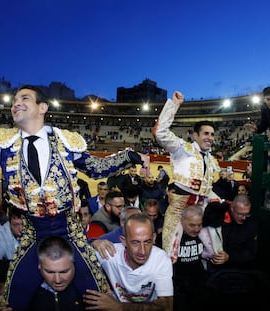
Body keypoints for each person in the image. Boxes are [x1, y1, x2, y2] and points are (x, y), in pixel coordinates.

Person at [0, 84, 147, 310]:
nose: (16, 103)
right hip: (31, 236)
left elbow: (98, 167)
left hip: (71, 232)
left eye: (24, 98)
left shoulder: (66, 142)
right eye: (14, 100)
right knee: (12, 302)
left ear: (42, 107)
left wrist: (131, 156)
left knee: (97, 297)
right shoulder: (3, 144)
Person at [154, 91, 221, 260]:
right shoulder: (182, 148)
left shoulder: (211, 159)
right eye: (206, 133)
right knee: (170, 254)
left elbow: (208, 187)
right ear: (195, 135)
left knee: (214, 251)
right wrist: (174, 104)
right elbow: (161, 133)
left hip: (200, 208)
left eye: (212, 134)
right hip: (179, 207)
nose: (210, 138)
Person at [84, 213, 174, 310]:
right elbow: (76, 254)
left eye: (147, 242)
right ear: (124, 241)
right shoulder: (110, 254)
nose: (142, 251)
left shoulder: (160, 259)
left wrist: (119, 307)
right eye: (135, 242)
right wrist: (92, 242)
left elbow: (166, 307)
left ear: (154, 238)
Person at [29, 236, 84, 310]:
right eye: (50, 272)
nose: (58, 280)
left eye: (64, 272)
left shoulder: (87, 289)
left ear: (74, 265)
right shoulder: (27, 296)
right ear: (39, 266)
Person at [173, 205, 207, 311]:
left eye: (199, 225)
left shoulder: (206, 235)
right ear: (182, 221)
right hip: (178, 287)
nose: (196, 229)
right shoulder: (171, 236)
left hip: (199, 285)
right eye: (192, 225)